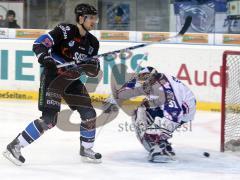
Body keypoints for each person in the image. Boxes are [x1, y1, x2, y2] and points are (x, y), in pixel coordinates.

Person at [3, 3, 101, 165]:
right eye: (91, 18)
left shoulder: (93, 43)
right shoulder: (65, 31)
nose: (94, 21)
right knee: (49, 120)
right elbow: (39, 44)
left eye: (95, 18)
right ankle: (15, 146)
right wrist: (45, 58)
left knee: (89, 114)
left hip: (73, 81)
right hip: (53, 79)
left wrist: (91, 66)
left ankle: (86, 149)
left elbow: (94, 71)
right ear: (81, 18)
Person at [103, 66, 196, 162]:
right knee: (141, 110)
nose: (143, 84)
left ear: (152, 79)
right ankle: (159, 143)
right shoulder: (152, 80)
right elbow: (132, 86)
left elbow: (175, 114)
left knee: (149, 131)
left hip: (183, 112)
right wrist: (114, 98)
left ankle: (161, 148)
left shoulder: (165, 90)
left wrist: (156, 132)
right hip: (170, 107)